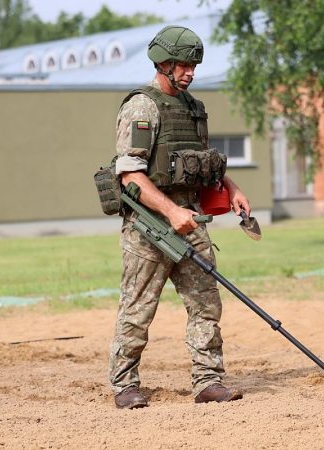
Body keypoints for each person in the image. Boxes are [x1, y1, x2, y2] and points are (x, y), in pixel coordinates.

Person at [108, 25, 251, 409]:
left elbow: (203, 162)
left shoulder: (192, 108)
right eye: (183, 65)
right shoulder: (141, 107)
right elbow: (130, 174)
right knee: (138, 309)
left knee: (206, 303)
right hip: (149, 226)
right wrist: (171, 212)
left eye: (194, 66)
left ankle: (208, 380)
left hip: (192, 219)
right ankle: (125, 385)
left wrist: (232, 189)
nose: (190, 73)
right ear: (163, 64)